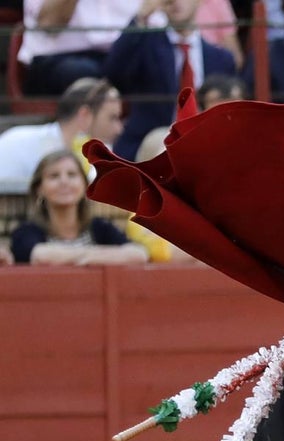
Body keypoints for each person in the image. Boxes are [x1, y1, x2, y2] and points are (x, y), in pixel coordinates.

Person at [104, 0, 238, 160]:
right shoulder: (145, 47)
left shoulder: (221, 59)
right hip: (152, 148)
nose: (175, 2)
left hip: (205, 148)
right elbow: (113, 72)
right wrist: (141, 17)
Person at [9, 150, 149, 265]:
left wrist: (84, 257)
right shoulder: (26, 232)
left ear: (85, 186)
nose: (64, 182)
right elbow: (41, 256)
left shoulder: (99, 227)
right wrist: (95, 256)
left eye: (72, 175)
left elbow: (139, 254)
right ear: (39, 189)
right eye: (54, 176)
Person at [0, 78, 120, 181]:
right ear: (85, 115)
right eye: (112, 118)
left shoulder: (103, 155)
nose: (119, 129)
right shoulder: (15, 143)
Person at [17, 0, 142, 96]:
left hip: (118, 55)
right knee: (86, 76)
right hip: (57, 59)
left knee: (151, 66)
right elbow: (49, 24)